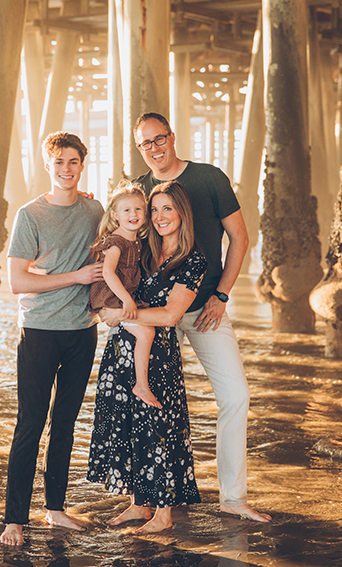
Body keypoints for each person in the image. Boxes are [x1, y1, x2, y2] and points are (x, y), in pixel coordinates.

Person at [131, 112, 272, 523]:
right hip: (157, 314)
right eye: (145, 143)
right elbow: (120, 231)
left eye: (159, 139)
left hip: (206, 309)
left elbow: (240, 237)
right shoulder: (140, 188)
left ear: (172, 138)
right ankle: (153, 498)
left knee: (235, 396)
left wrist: (222, 295)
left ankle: (232, 497)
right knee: (154, 403)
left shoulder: (209, 178)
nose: (154, 148)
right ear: (139, 148)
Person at [0, 132, 104, 546]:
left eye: (73, 162)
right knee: (30, 425)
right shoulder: (30, 215)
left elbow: (127, 229)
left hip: (83, 331)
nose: (66, 169)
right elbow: (16, 281)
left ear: (83, 164)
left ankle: (55, 509)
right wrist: (76, 277)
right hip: (40, 331)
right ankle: (14, 519)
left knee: (65, 425)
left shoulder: (95, 209)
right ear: (48, 165)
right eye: (59, 162)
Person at [88, 181, 205, 533]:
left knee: (158, 430)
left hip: (158, 357)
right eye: (154, 209)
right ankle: (139, 504)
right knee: (128, 427)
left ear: (182, 213)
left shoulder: (193, 259)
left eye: (167, 209)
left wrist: (120, 315)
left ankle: (164, 514)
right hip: (124, 349)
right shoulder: (145, 250)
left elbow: (170, 315)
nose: (158, 216)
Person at [89, 181, 160, 409]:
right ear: (115, 215)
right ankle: (141, 385)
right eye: (127, 210)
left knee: (147, 329)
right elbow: (108, 272)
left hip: (122, 295)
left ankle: (138, 382)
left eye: (138, 209)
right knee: (147, 332)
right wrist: (127, 300)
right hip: (111, 297)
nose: (133, 214)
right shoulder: (116, 242)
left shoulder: (136, 239)